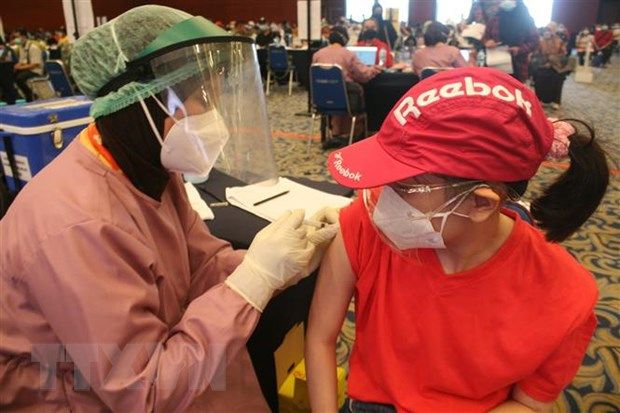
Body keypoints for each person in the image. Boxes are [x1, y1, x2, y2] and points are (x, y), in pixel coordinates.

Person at [0, 6, 339, 411]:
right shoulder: (78, 225)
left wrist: (289, 260)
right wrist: (254, 280)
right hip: (64, 387)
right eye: (202, 99)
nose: (213, 116)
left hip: (129, 355)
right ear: (142, 102)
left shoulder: (144, 165)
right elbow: (143, 391)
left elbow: (202, 265)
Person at [306, 67, 609, 412]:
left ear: (481, 203)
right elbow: (320, 339)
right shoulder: (365, 223)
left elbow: (530, 405)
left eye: (404, 187)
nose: (379, 198)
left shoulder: (565, 295)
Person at [312, 26, 381, 147]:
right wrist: (374, 69)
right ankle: (352, 134)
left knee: (337, 88)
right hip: (345, 101)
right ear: (344, 39)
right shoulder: (348, 54)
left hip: (322, 100)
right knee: (353, 90)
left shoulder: (317, 55)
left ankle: (336, 133)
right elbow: (364, 74)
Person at [482, 0, 539, 82]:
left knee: (515, 88)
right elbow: (485, 38)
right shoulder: (494, 19)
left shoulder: (526, 20)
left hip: (518, 65)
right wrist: (487, 42)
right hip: (496, 63)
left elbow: (535, 41)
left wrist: (519, 49)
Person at [12, 28, 44, 101]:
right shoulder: (21, 47)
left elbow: (35, 64)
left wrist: (19, 68)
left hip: (36, 70)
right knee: (10, 75)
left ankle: (30, 96)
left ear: (23, 36)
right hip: (27, 69)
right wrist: (15, 67)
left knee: (19, 78)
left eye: (17, 37)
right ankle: (14, 96)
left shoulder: (33, 47)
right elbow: (21, 61)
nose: (16, 39)